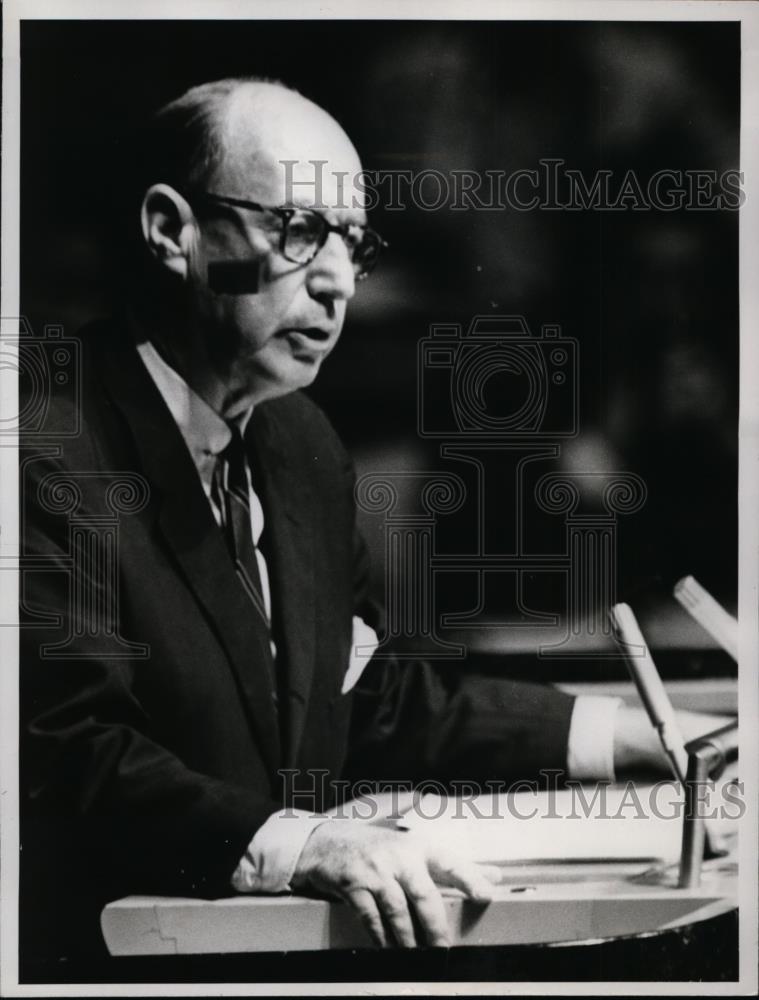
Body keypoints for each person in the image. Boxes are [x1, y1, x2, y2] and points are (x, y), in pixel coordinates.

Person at [19, 77, 724, 965]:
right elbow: (56, 750)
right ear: (172, 231)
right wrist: (302, 843)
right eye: (299, 231)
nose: (340, 281)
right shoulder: (39, 443)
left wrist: (625, 739)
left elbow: (368, 701)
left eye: (353, 243)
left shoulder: (297, 442)